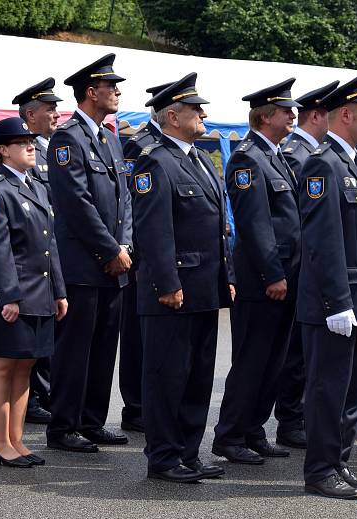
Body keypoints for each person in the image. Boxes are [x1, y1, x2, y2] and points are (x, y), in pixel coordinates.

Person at [132, 73, 234, 483]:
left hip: (204, 287)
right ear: (172, 116)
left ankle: (188, 452)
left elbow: (215, 228)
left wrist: (224, 276)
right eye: (195, 109)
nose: (203, 114)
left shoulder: (195, 158)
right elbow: (154, 232)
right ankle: (164, 456)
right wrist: (167, 284)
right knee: (167, 377)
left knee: (196, 377)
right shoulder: (155, 162)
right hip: (173, 291)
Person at [296, 71, 357, 499]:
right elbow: (322, 240)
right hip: (335, 303)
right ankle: (320, 470)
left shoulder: (355, 162)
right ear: (345, 113)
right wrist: (336, 301)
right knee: (328, 390)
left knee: (351, 391)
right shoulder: (322, 164)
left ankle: (339, 462)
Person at [45, 53, 133, 453]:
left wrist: (124, 245)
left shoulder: (110, 138)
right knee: (75, 347)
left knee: (103, 346)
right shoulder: (68, 139)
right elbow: (76, 204)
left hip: (116, 262)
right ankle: (64, 425)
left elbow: (124, 198)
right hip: (84, 262)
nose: (116, 92)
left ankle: (92, 420)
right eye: (110, 86)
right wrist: (109, 248)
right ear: (91, 92)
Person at [213, 78, 301, 465]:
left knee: (273, 361)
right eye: (286, 111)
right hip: (264, 281)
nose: (293, 116)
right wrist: (272, 274)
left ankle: (254, 429)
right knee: (252, 360)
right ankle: (229, 435)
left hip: (286, 276)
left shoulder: (277, 155)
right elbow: (255, 224)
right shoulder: (248, 158)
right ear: (266, 117)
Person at [0, 117, 68, 468]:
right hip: (9, 296)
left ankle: (16, 439)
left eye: (31, 141)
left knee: (24, 367)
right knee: (1, 366)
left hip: (39, 293)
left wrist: (59, 290)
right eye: (22, 142)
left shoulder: (37, 186)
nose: (31, 146)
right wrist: (8, 296)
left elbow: (50, 244)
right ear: (3, 150)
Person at [276, 80, 338, 449]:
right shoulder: (300, 154)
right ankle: (290, 418)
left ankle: (294, 415)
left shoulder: (311, 151)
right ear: (318, 115)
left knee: (300, 347)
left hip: (306, 262)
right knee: (296, 349)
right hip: (299, 263)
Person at [116, 80, 172, 434]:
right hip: (141, 249)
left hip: (166, 252)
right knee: (137, 333)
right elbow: (133, 201)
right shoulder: (141, 143)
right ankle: (135, 406)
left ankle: (153, 403)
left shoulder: (170, 145)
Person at [13, 77, 63, 425]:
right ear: (30, 115)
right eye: (49, 109)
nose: (56, 114)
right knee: (30, 335)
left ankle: (43, 396)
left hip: (53, 253)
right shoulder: (29, 153)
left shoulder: (53, 148)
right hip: (32, 257)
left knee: (49, 334)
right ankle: (30, 401)